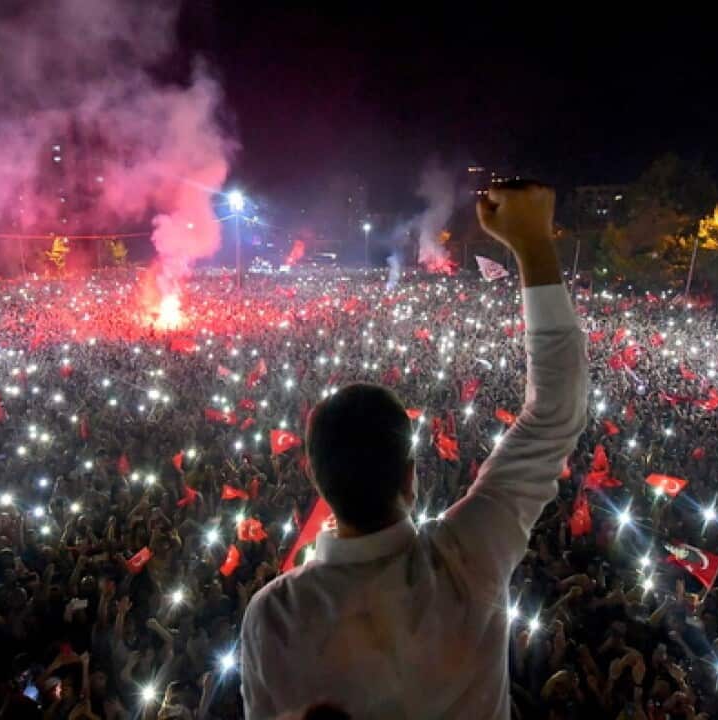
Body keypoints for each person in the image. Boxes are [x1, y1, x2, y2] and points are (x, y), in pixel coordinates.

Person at [239, 184, 588, 718]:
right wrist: (533, 245)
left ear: (315, 477)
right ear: (411, 474)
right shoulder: (468, 558)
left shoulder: (274, 618)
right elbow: (555, 413)